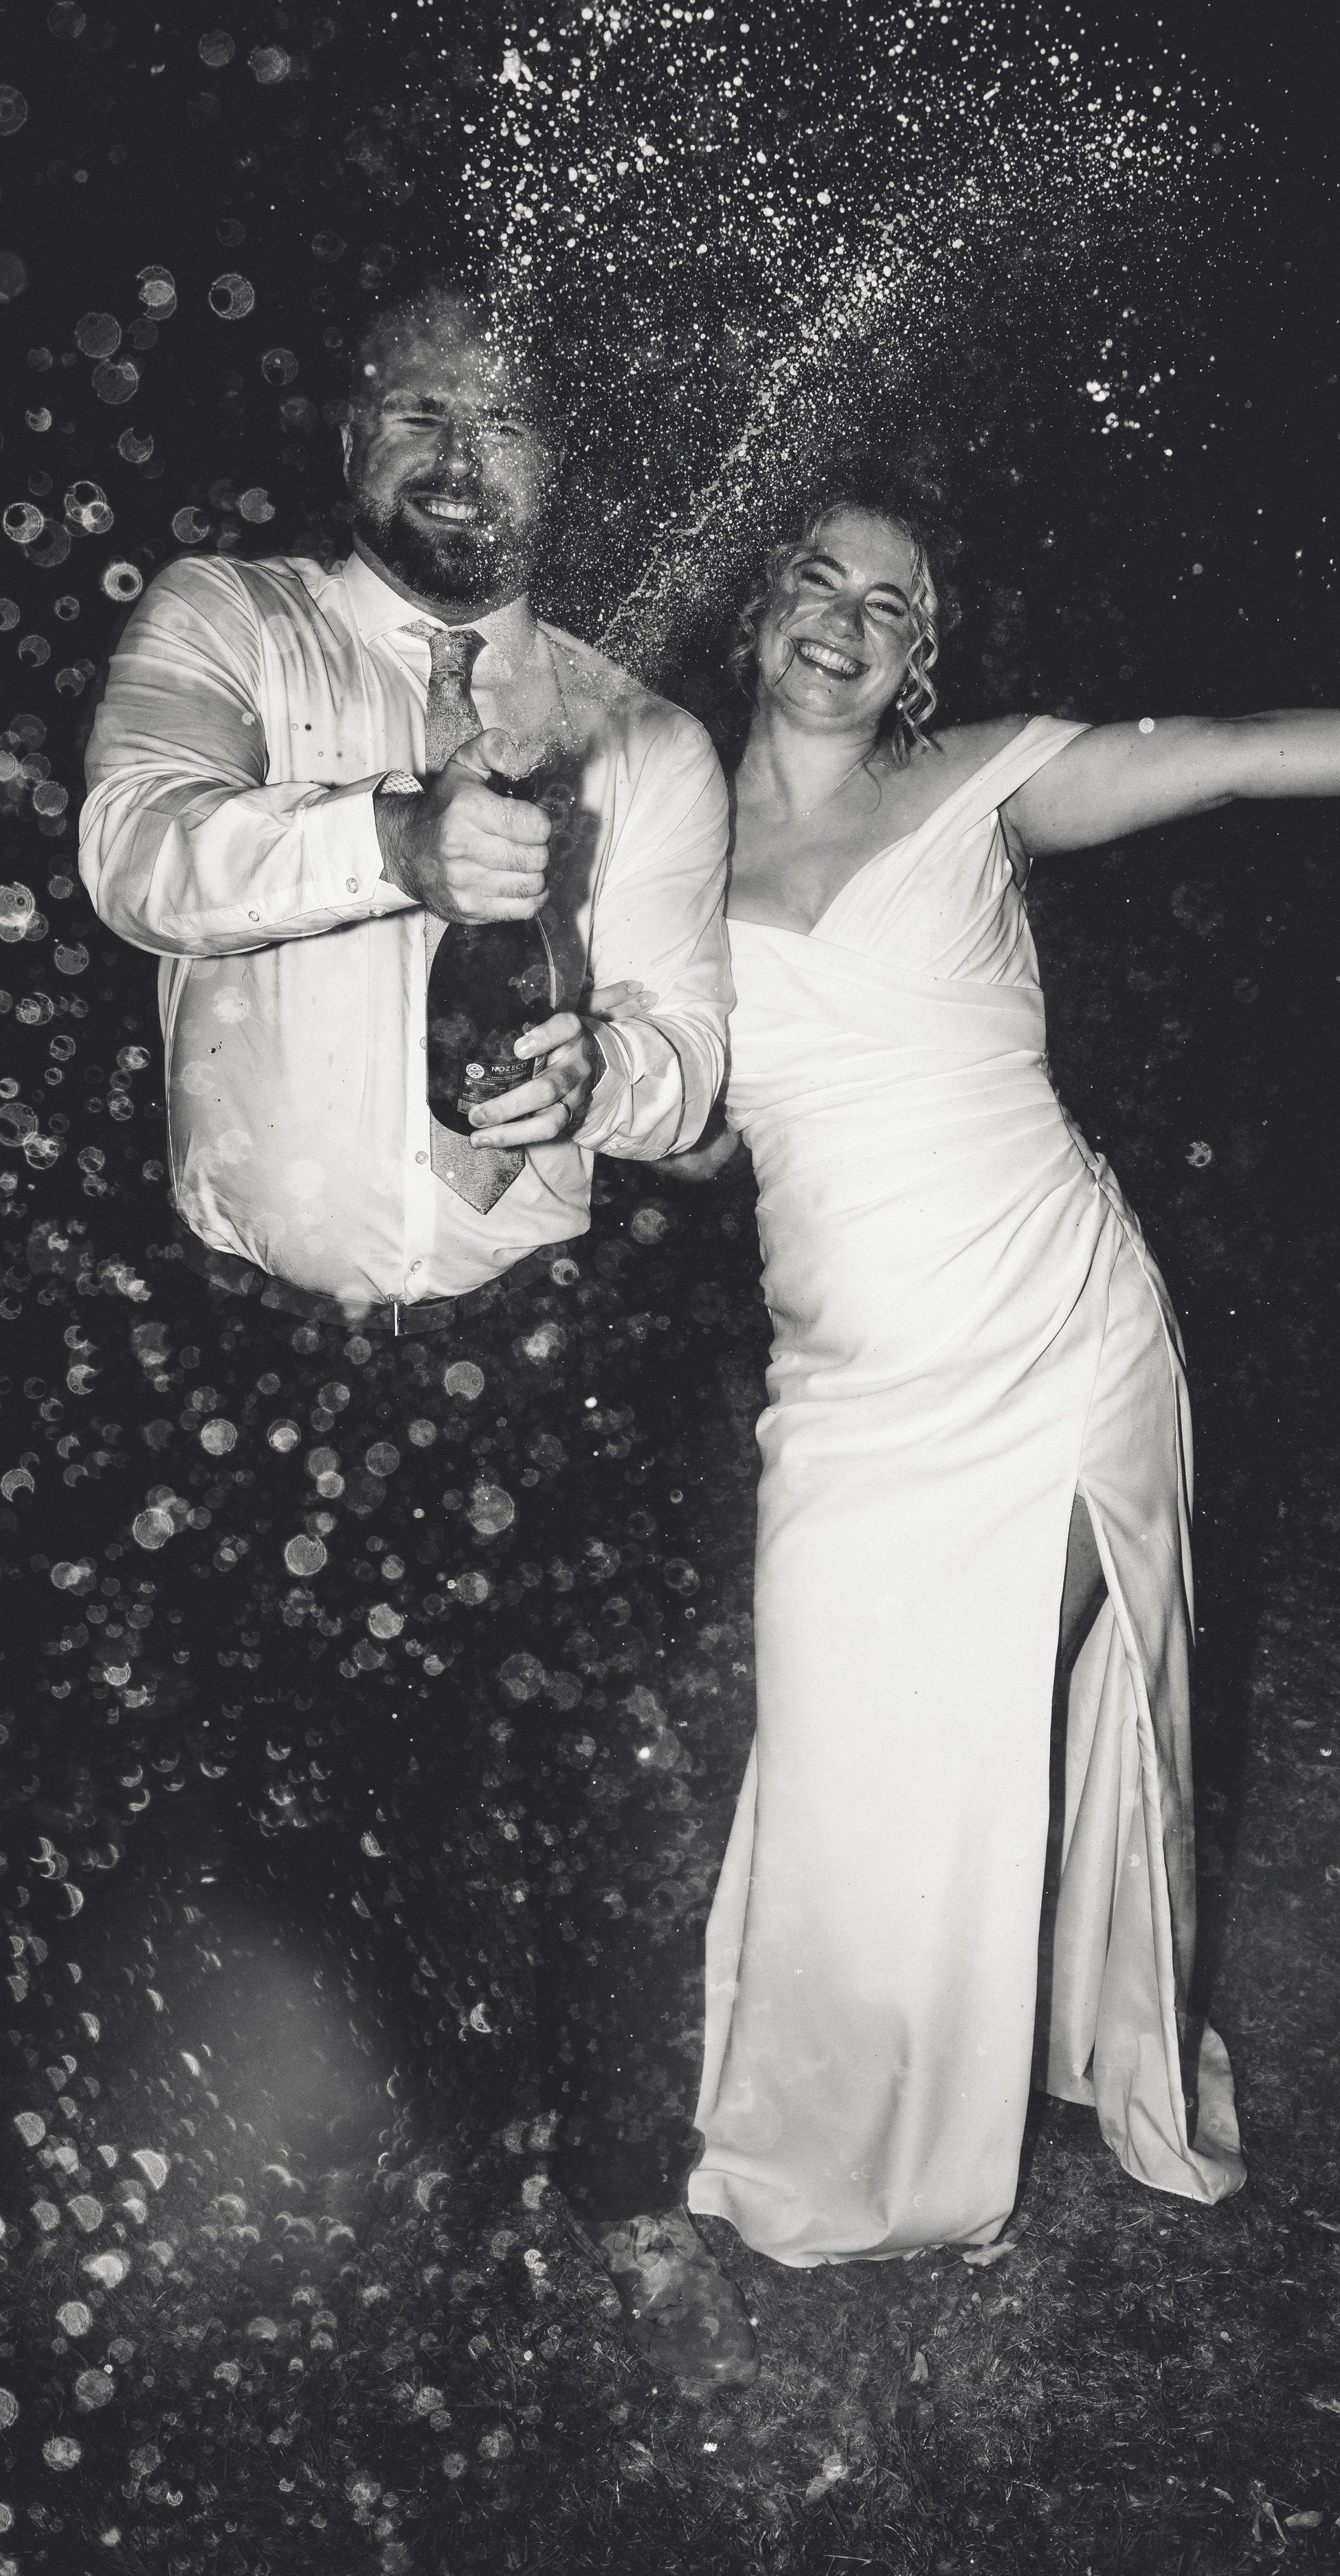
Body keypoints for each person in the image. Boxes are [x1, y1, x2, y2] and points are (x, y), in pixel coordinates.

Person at [678, 482, 1340, 2269]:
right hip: (845, 1390)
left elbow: (1233, 752)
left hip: (1059, 1339)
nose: (844, 619)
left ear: (923, 662)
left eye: (890, 606)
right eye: (817, 581)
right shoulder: (662, 856)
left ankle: (951, 2137)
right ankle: (833, 2130)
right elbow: (677, 1129)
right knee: (845, 1746)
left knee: (976, 1728)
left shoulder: (980, 784)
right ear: (763, 610)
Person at [78, 275, 756, 2386]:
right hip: (243, 1361)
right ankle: (355, 2194)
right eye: (422, 407)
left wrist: (603, 1085)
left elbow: (686, 1061)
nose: (461, 449)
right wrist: (384, 839)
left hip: (513, 1353)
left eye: (510, 416)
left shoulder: (637, 728)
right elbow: (132, 851)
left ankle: (582, 2194)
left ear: (571, 463)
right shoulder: (230, 619)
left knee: (558, 1781)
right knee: (283, 1788)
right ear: (355, 430)